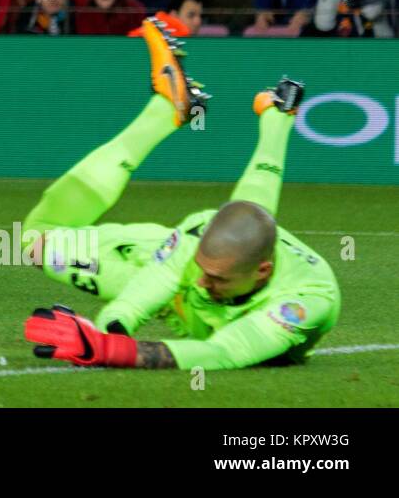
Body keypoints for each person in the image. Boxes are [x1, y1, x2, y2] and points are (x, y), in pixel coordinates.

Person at [22, 20, 339, 370]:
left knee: (251, 214)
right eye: (204, 269)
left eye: (217, 278)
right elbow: (147, 290)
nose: (203, 282)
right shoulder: (199, 234)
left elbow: (224, 352)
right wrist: (110, 330)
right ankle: (192, 110)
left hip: (200, 316)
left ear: (262, 272)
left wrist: (112, 351)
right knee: (37, 242)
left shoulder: (307, 299)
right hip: (175, 283)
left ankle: (254, 115)